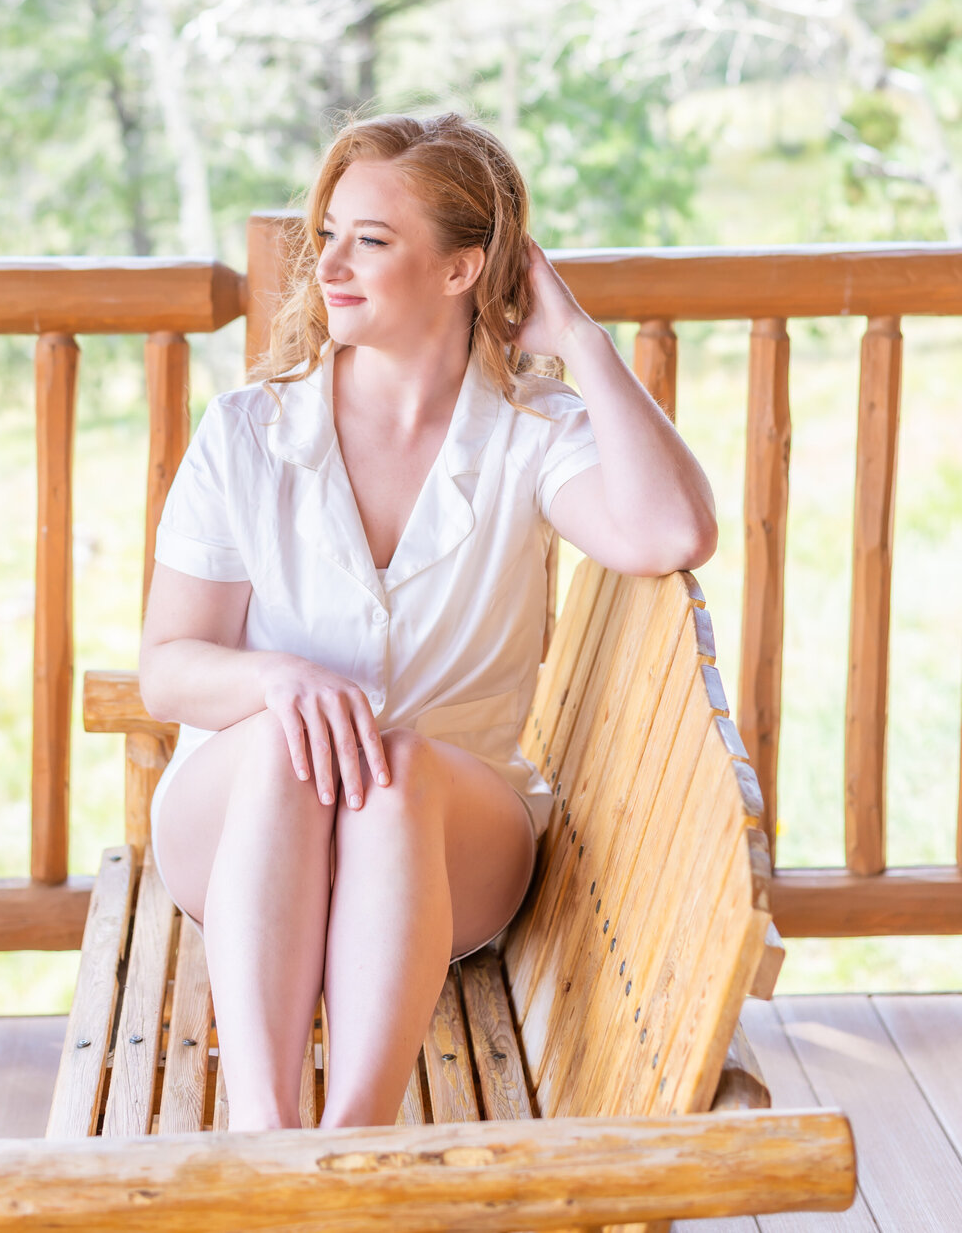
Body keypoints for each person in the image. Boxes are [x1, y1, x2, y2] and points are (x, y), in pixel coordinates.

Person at [139, 111, 716, 1132]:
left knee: (394, 764)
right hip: (242, 827)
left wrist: (579, 339)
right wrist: (278, 681)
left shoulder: (533, 434)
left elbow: (670, 531)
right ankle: (267, 1140)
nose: (329, 265)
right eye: (328, 235)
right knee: (287, 741)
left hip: (447, 841)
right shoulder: (248, 434)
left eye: (371, 239)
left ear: (463, 270)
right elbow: (170, 670)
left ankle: (352, 1146)